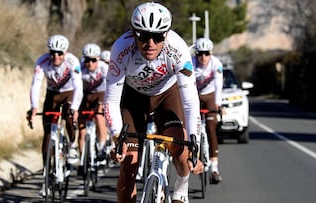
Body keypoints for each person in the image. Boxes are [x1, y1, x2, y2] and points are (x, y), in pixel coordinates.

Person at [104, 2, 203, 203]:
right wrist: (117, 137)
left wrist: (195, 144)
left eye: (157, 36)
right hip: (133, 98)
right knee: (129, 163)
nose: (150, 43)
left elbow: (191, 103)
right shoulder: (121, 48)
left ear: (166, 35)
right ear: (133, 33)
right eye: (143, 35)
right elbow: (111, 100)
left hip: (167, 95)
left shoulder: (178, 50)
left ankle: (181, 187)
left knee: (180, 147)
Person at [27, 34, 83, 195]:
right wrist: (34, 106)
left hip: (69, 93)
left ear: (65, 52)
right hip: (52, 94)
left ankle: (72, 145)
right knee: (47, 133)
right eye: (52, 52)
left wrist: (75, 107)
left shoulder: (73, 62)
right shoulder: (42, 61)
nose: (55, 56)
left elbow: (79, 87)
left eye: (59, 53)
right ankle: (46, 174)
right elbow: (36, 85)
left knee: (69, 117)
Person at [193, 37, 223, 183]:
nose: (203, 57)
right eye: (199, 54)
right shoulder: (190, 63)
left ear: (210, 53)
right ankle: (195, 158)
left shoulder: (216, 63)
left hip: (210, 97)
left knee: (211, 131)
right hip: (195, 96)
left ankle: (214, 168)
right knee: (193, 129)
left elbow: (218, 84)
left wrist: (217, 104)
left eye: (206, 53)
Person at [78, 43, 109, 164]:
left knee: (98, 116)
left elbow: (109, 86)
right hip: (85, 94)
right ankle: (82, 160)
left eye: (93, 60)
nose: (90, 63)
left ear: (98, 59)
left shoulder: (104, 68)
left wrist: (102, 103)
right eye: (87, 60)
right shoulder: (80, 68)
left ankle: (101, 147)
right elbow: (75, 86)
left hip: (101, 93)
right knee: (81, 130)